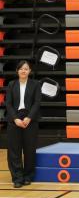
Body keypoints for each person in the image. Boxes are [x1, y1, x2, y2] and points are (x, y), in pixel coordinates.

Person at [5, 60, 41, 188]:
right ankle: (17, 177)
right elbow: (8, 104)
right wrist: (15, 119)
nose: (23, 71)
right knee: (14, 150)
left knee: (29, 150)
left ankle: (27, 176)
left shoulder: (36, 84)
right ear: (17, 71)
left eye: (26, 69)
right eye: (21, 69)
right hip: (15, 119)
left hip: (30, 119)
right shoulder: (11, 84)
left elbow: (37, 102)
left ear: (30, 71)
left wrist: (29, 117)